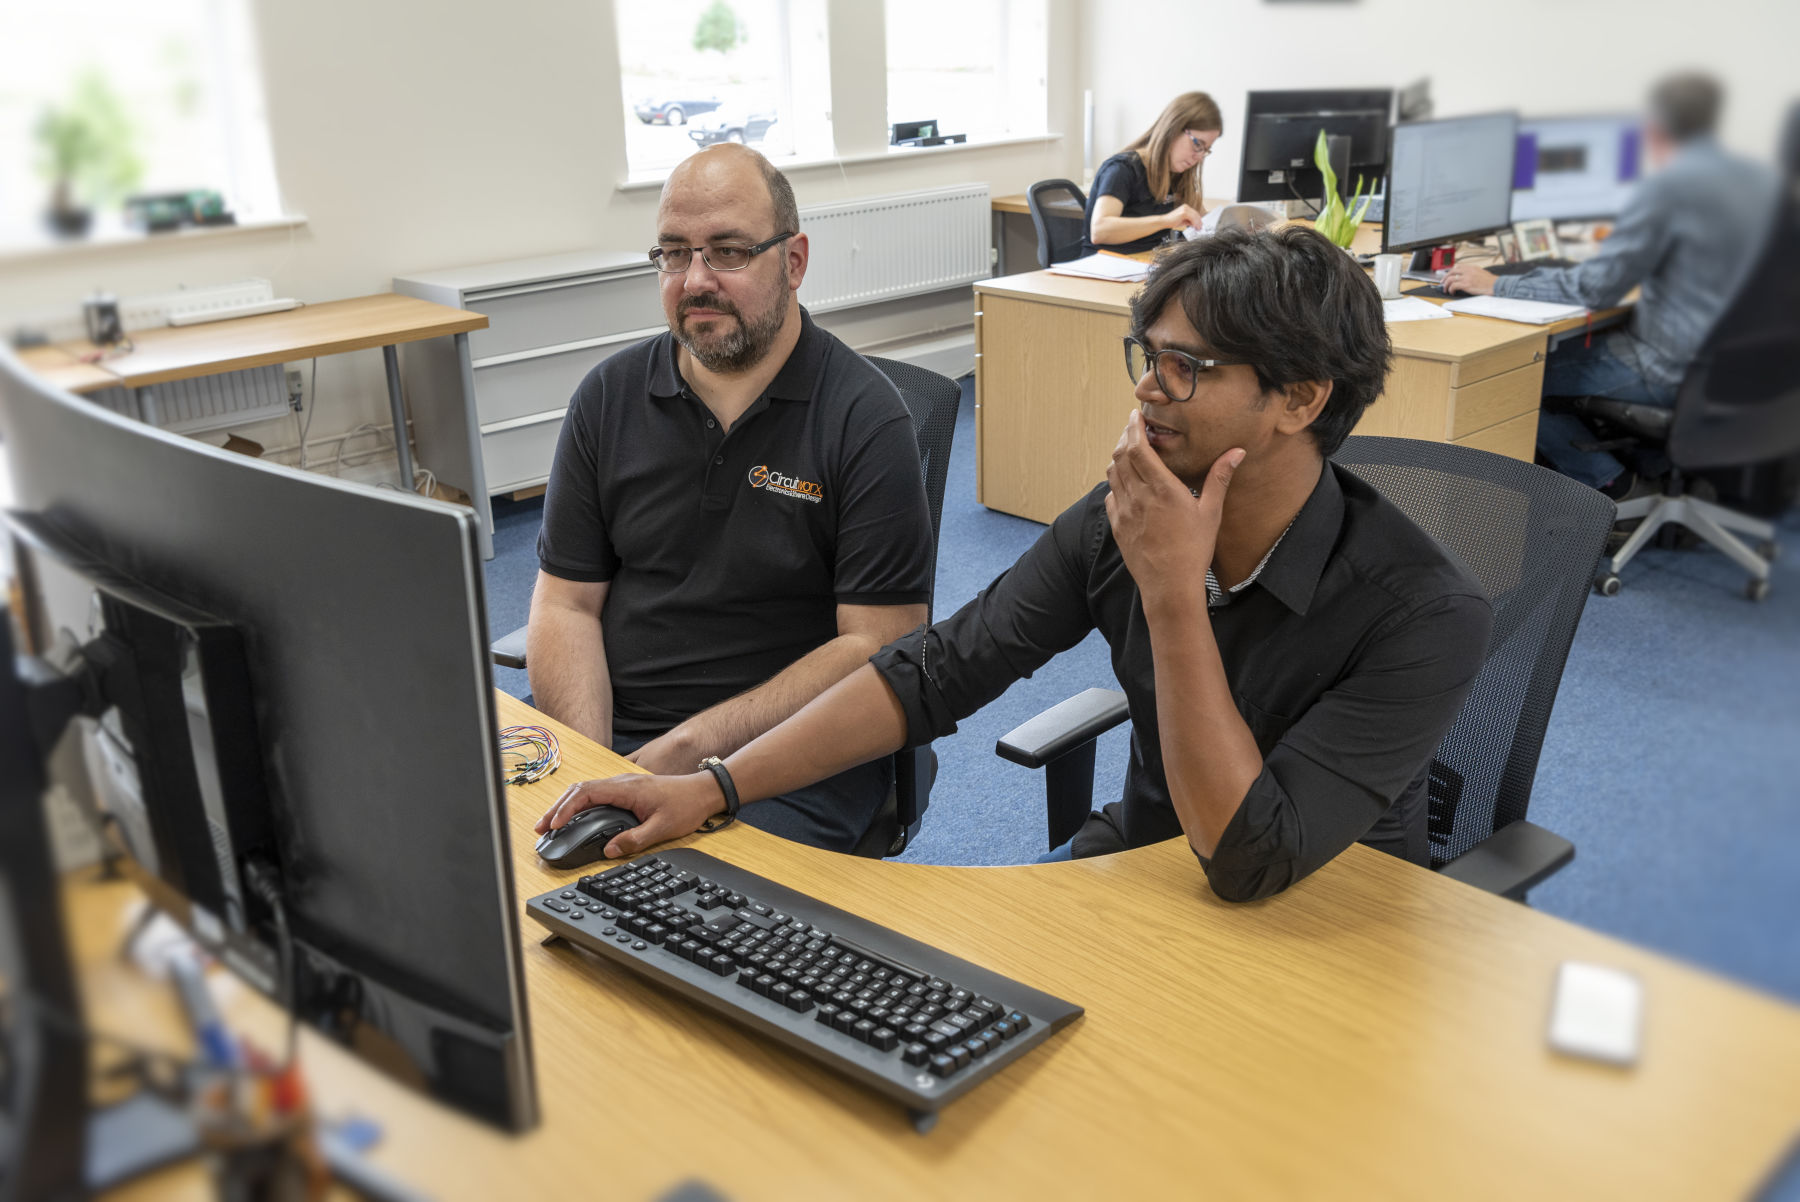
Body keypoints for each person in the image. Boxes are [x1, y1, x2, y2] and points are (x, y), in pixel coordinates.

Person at [539, 227, 1496, 903]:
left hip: (1328, 919)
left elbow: (1251, 858)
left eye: (1187, 368)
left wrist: (1172, 598)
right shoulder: (1122, 518)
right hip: (1147, 870)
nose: (1145, 389)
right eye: (1146, 354)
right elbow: (937, 670)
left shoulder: (1422, 612)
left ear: (1299, 399)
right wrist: (712, 787)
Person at [526, 143, 934, 853]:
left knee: (670, 935)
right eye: (675, 254)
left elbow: (876, 641)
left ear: (795, 261)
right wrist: (596, 770)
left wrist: (681, 755)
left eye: (729, 252)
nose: (695, 281)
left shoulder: (866, 420)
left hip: (782, 760)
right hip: (613, 733)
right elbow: (565, 603)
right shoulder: (606, 399)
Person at [1441, 73, 1778, 494]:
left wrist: (1497, 284)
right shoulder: (1762, 180)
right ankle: (1649, 467)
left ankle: (1607, 481)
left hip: (1671, 369)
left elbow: (1597, 289)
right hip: (1749, 371)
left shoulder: (1669, 190)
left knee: (1512, 380)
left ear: (1654, 129)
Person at [1082, 92, 1223, 256]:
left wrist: (1236, 223)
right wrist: (1166, 221)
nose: (1199, 156)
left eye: (1205, 150)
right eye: (1198, 144)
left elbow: (1203, 220)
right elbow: (1100, 230)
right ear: (1174, 128)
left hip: (1143, 265)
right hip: (1103, 268)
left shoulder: (1178, 174)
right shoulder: (1122, 169)